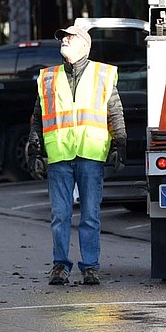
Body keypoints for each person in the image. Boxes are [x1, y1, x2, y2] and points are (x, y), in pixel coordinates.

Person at [26, 21, 126, 286]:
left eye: (70, 37)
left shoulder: (101, 74)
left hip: (91, 153)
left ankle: (90, 266)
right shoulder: (48, 76)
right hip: (59, 154)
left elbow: (114, 111)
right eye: (63, 37)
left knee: (90, 214)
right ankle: (60, 265)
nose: (65, 40)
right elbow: (38, 116)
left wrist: (120, 142)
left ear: (85, 45)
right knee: (60, 215)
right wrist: (35, 146)